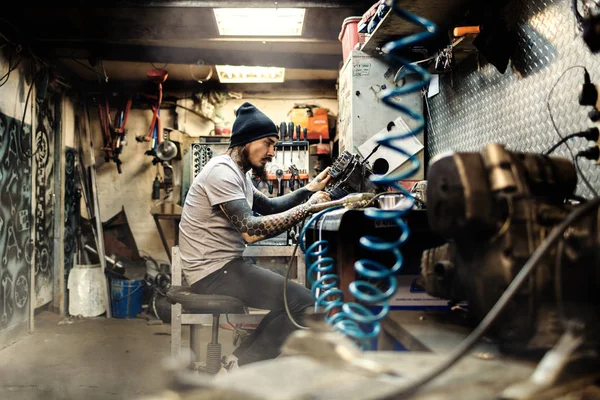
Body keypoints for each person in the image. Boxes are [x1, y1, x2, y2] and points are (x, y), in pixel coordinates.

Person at [178, 102, 332, 370]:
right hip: (212, 273)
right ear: (247, 141)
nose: (272, 152)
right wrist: (310, 208)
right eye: (268, 143)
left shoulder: (239, 174)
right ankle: (242, 366)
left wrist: (308, 190)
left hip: (224, 268)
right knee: (306, 304)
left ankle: (236, 362)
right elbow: (250, 230)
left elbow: (270, 206)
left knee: (293, 303)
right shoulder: (221, 172)